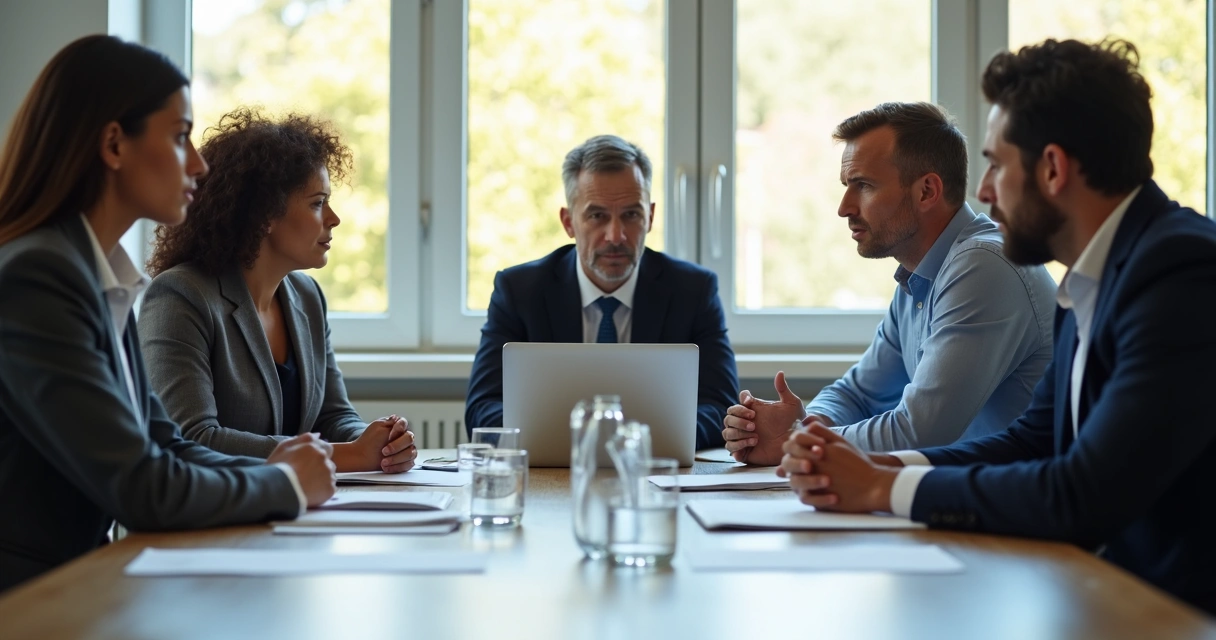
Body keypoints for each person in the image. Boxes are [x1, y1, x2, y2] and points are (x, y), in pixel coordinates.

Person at [779, 39, 1216, 615]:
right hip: (1104, 592)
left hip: (1175, 611)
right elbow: (1030, 442)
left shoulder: (1179, 274)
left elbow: (1081, 492)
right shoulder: (1096, 277)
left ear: (1053, 169)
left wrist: (882, 487)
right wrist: (871, 466)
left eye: (996, 164)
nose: (983, 191)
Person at [0, 35, 335, 592]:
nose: (199, 164)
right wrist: (285, 484)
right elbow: (143, 486)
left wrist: (285, 468)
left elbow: (168, 445)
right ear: (114, 145)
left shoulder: (98, 275)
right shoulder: (39, 276)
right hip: (29, 597)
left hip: (81, 580)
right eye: (181, 138)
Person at [723, 102, 1056, 463]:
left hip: (1020, 509)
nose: (844, 207)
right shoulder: (920, 276)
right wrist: (802, 425)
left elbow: (920, 430)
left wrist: (795, 442)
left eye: (863, 185)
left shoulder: (983, 266)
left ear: (927, 191)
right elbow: (859, 394)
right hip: (973, 498)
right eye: (846, 186)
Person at [138, 109, 416, 474]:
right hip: (208, 522)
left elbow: (334, 415)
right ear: (265, 215)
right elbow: (191, 439)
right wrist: (346, 455)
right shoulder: (180, 296)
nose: (333, 218)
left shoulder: (306, 295)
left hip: (290, 512)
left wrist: (378, 442)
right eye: (317, 203)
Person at [465, 134, 739, 449]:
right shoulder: (519, 291)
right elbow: (481, 409)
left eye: (631, 215)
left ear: (650, 217)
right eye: (597, 216)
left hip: (654, 474)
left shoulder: (693, 290)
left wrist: (628, 442)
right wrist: (584, 440)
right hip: (549, 477)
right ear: (569, 222)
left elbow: (722, 408)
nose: (615, 235)